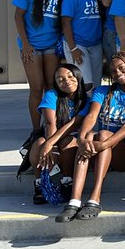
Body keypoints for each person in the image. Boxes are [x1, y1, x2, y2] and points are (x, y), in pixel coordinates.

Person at [56, 52, 125, 222]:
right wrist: (83, 139)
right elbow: (91, 116)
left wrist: (103, 144)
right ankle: (74, 201)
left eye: (121, 68)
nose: (117, 73)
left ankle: (94, 199)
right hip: (100, 149)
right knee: (90, 137)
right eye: (113, 71)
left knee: (102, 135)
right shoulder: (102, 91)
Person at [12, 0, 68, 128]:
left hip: (52, 45)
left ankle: (51, 126)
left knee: (51, 86)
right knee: (36, 88)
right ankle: (36, 130)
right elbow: (18, 17)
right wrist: (26, 44)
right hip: (31, 46)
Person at [29, 62, 90, 204]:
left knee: (68, 140)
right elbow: (50, 123)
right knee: (39, 143)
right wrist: (50, 147)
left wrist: (50, 144)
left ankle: (67, 181)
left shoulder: (87, 100)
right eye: (60, 79)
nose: (66, 81)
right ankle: (40, 184)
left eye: (70, 76)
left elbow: (74, 123)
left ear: (78, 77)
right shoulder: (52, 95)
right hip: (53, 140)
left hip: (73, 148)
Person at [60, 0, 104, 85]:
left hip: (96, 43)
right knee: (84, 83)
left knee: (96, 82)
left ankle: (94, 105)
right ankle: (83, 105)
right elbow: (65, 22)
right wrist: (73, 48)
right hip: (78, 44)